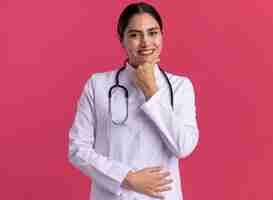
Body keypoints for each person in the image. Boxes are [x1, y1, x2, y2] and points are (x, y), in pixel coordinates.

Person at [68, 2, 199, 200]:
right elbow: (78, 149)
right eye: (135, 35)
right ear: (122, 39)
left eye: (153, 32)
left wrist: (151, 92)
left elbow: (183, 147)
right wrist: (127, 178)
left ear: (162, 35)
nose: (146, 42)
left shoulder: (180, 86)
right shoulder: (98, 85)